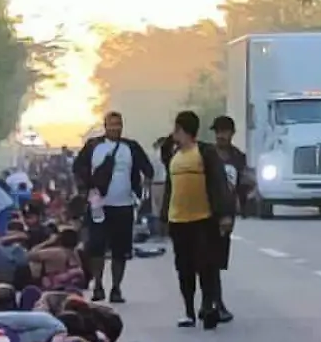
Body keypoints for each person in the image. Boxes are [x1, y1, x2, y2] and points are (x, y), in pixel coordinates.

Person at [164, 111, 237, 330]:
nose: (173, 133)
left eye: (176, 129)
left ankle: (208, 307)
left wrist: (224, 214)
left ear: (181, 129)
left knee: (207, 265)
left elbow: (219, 183)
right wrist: (163, 215)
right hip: (178, 220)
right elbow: (170, 188)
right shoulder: (174, 154)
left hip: (203, 219)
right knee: (184, 268)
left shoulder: (205, 152)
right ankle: (188, 311)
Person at [72, 112, 154, 305]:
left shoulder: (131, 147)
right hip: (98, 205)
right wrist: (85, 190)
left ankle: (116, 288)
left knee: (121, 249)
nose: (115, 128)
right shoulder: (93, 146)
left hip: (124, 205)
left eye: (119, 124)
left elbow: (147, 169)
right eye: (112, 124)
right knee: (96, 247)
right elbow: (77, 168)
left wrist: (143, 193)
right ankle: (98, 285)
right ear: (105, 126)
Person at [208, 115, 249, 318]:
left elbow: (243, 185)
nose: (220, 136)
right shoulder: (207, 154)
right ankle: (215, 303)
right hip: (205, 213)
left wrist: (243, 206)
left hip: (226, 216)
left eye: (224, 131)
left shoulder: (238, 158)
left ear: (232, 133)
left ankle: (213, 302)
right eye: (217, 132)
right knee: (207, 261)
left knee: (216, 262)